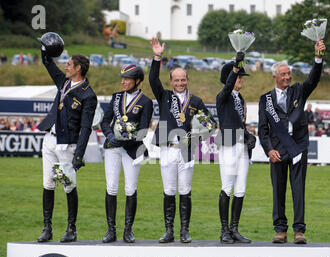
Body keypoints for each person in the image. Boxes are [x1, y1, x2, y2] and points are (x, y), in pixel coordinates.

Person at [258, 40, 325, 244]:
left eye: (289, 74)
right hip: (277, 150)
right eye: (284, 74)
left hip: (297, 148)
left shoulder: (298, 90)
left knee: (298, 190)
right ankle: (280, 230)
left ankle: (299, 231)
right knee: (278, 191)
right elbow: (262, 130)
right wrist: (269, 150)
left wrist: (318, 58)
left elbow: (312, 80)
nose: (288, 77)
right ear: (275, 77)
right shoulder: (265, 100)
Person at [149, 37, 216, 243]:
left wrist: (197, 136)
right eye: (176, 80)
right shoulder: (164, 96)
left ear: (187, 80)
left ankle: (184, 230)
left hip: (187, 150)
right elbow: (152, 79)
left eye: (183, 79)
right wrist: (157, 57)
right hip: (168, 149)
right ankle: (169, 230)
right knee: (169, 191)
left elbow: (211, 124)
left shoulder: (195, 101)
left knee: (185, 191)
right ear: (171, 81)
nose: (180, 83)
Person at [36, 40, 97, 243]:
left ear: (78, 68)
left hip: (67, 145)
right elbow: (48, 63)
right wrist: (45, 46)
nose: (65, 67)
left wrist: (79, 153)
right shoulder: (63, 82)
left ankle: (71, 229)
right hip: (50, 141)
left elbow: (87, 127)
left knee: (68, 186)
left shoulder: (88, 95)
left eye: (69, 64)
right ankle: (47, 228)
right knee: (48, 184)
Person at [100, 64, 153, 243]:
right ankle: (110, 230)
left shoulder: (145, 102)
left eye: (127, 78)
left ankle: (128, 230)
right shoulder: (116, 98)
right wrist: (109, 135)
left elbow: (144, 129)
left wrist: (127, 137)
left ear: (137, 81)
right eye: (122, 78)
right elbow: (105, 121)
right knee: (111, 187)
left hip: (132, 149)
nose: (123, 81)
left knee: (130, 188)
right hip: (113, 147)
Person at [216, 53, 256, 244]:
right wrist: (234, 66)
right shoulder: (222, 97)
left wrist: (249, 136)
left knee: (240, 189)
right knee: (227, 187)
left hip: (241, 147)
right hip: (228, 146)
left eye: (240, 77)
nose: (241, 80)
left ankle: (234, 229)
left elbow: (240, 123)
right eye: (239, 77)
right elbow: (227, 88)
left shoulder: (240, 98)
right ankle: (224, 230)